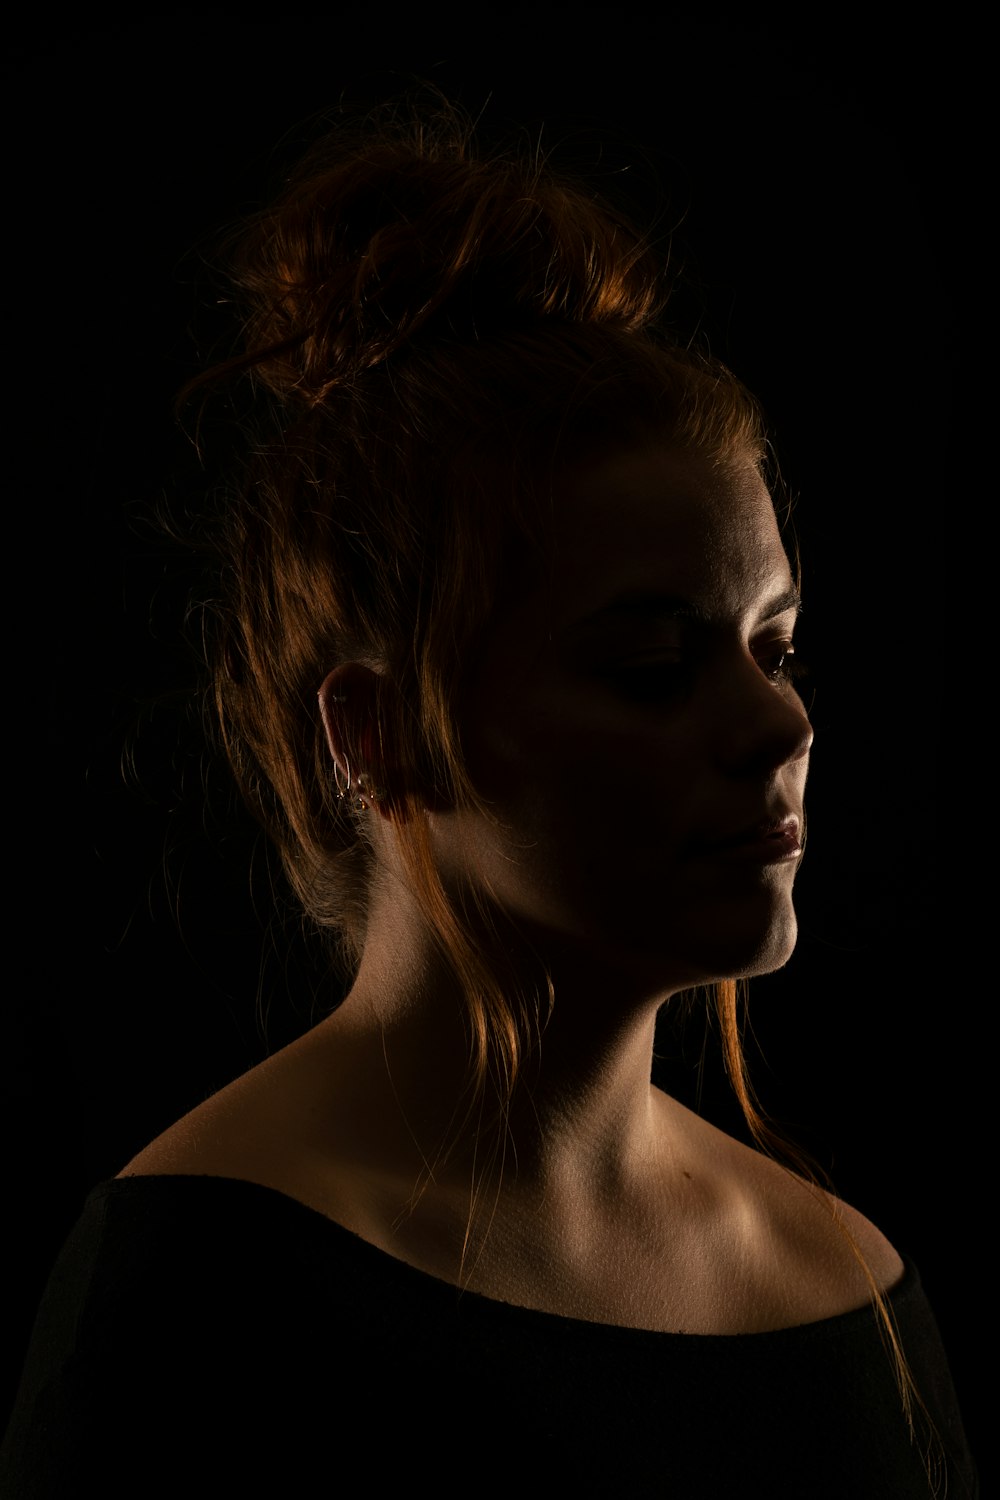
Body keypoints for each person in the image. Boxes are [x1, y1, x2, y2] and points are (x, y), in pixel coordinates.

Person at [2, 105, 976, 1497]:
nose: (782, 723)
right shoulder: (202, 1285)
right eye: (652, 666)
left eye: (776, 647)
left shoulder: (848, 1287)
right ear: (379, 731)